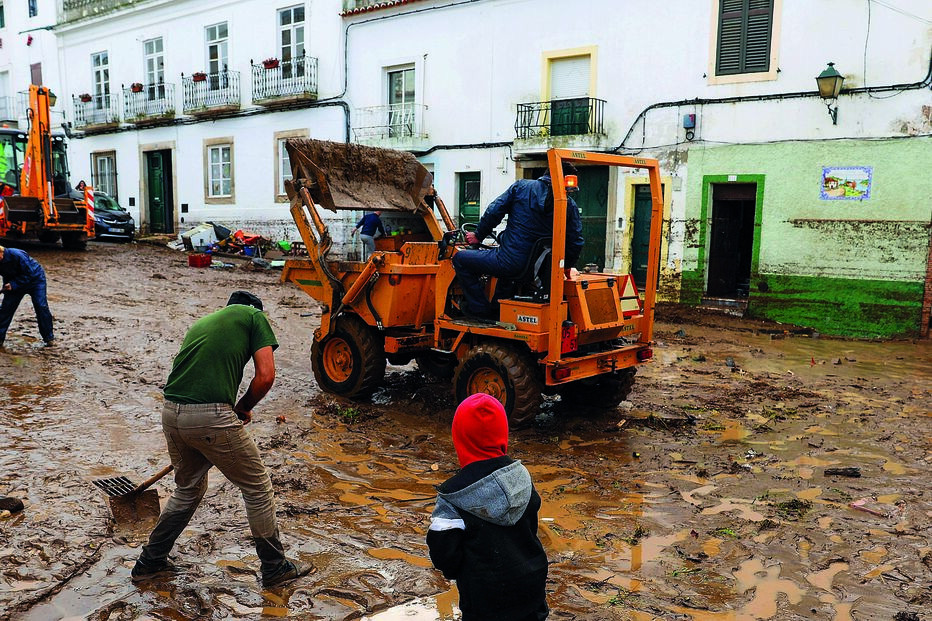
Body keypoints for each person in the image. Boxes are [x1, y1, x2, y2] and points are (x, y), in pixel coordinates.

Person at [132, 291, 313, 588]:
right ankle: (275, 567)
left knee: (187, 489)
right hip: (210, 416)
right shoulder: (253, 315)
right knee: (257, 486)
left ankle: (148, 563)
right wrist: (243, 406)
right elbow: (266, 376)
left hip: (172, 413)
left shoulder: (203, 323)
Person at [427, 394, 549, 621]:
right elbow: (530, 527)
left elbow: (444, 555)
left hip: (485, 601)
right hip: (532, 586)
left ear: (460, 439)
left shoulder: (454, 496)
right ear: (503, 435)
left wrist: (463, 571)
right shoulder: (521, 476)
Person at [452, 163, 583, 319]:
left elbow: (494, 211)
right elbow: (575, 240)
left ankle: (479, 309)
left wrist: (478, 235)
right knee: (508, 270)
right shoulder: (569, 205)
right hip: (537, 268)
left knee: (460, 259)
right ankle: (497, 311)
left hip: (510, 262)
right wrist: (567, 265)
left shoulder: (521, 187)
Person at [0, 245, 54, 348]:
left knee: (40, 305)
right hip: (13, 283)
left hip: (35, 280)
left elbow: (29, 273)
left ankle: (49, 338)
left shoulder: (17, 254)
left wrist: (14, 284)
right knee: (6, 310)